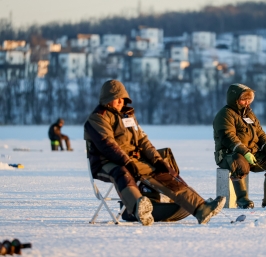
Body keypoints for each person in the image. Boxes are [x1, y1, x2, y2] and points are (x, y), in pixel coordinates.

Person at [84, 79, 225, 226]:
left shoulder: (128, 116)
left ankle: (201, 208)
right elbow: (107, 145)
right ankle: (139, 207)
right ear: (107, 99)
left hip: (133, 160)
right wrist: (126, 162)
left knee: (164, 174)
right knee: (122, 171)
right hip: (105, 162)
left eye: (122, 98)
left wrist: (158, 161)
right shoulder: (98, 118)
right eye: (116, 98)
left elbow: (143, 141)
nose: (120, 101)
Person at [213, 83, 266, 209]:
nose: (247, 103)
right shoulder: (225, 115)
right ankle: (242, 200)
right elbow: (229, 138)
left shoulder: (249, 114)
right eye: (243, 99)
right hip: (228, 155)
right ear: (234, 99)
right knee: (239, 161)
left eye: (248, 99)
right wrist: (245, 152)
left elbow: (260, 134)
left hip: (251, 154)